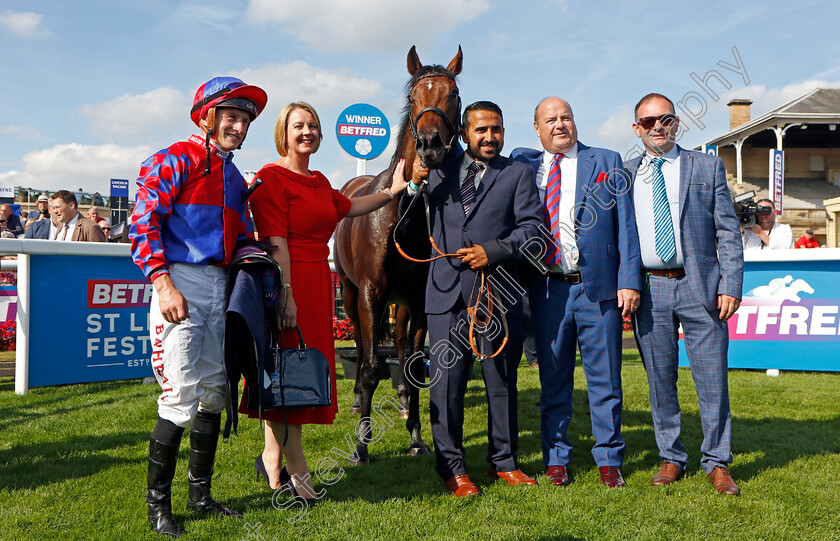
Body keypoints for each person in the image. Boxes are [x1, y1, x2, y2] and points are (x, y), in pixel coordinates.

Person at [242, 101, 412, 501]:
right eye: (298, 126)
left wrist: (391, 192)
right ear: (283, 132)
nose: (307, 132)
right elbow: (277, 243)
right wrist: (286, 296)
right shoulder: (270, 178)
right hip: (287, 283)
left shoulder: (319, 181)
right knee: (288, 385)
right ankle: (300, 478)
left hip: (318, 282)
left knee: (293, 376)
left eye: (313, 126)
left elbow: (351, 207)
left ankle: (271, 458)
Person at [130, 76, 267, 537]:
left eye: (245, 120)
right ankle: (158, 510)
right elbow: (143, 223)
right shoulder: (175, 158)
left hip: (220, 286)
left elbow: (241, 234)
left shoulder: (232, 176)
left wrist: (255, 255)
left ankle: (201, 496)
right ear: (206, 117)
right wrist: (163, 284)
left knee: (215, 393)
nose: (239, 127)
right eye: (230, 116)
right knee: (179, 396)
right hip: (181, 282)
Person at [405, 101, 543, 497]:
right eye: (481, 130)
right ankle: (452, 469)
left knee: (501, 381)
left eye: (496, 129)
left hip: (497, 292)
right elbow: (408, 219)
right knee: (447, 384)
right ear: (464, 133)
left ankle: (504, 462)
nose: (489, 137)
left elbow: (533, 230)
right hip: (446, 295)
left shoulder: (518, 174)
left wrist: (493, 250)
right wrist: (414, 182)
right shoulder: (436, 166)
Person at [511, 97, 642, 488]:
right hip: (547, 288)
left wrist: (629, 279)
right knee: (553, 379)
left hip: (596, 289)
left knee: (606, 381)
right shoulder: (524, 165)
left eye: (565, 117)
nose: (559, 125)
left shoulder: (606, 161)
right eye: (550, 120)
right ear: (537, 128)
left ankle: (609, 460)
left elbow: (626, 226)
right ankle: (556, 460)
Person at [628, 93, 743, 495]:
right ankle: (671, 457)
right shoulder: (625, 174)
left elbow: (728, 232)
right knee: (660, 381)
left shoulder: (707, 166)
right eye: (647, 122)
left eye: (665, 119)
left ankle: (717, 461)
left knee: (712, 381)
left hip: (702, 289)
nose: (656, 127)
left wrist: (730, 284)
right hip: (650, 290)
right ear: (636, 128)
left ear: (677, 123)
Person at [23, 191, 106, 242]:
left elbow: (99, 261)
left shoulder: (91, 227)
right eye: (53, 208)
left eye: (58, 207)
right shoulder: (61, 226)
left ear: (71, 206)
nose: (55, 211)